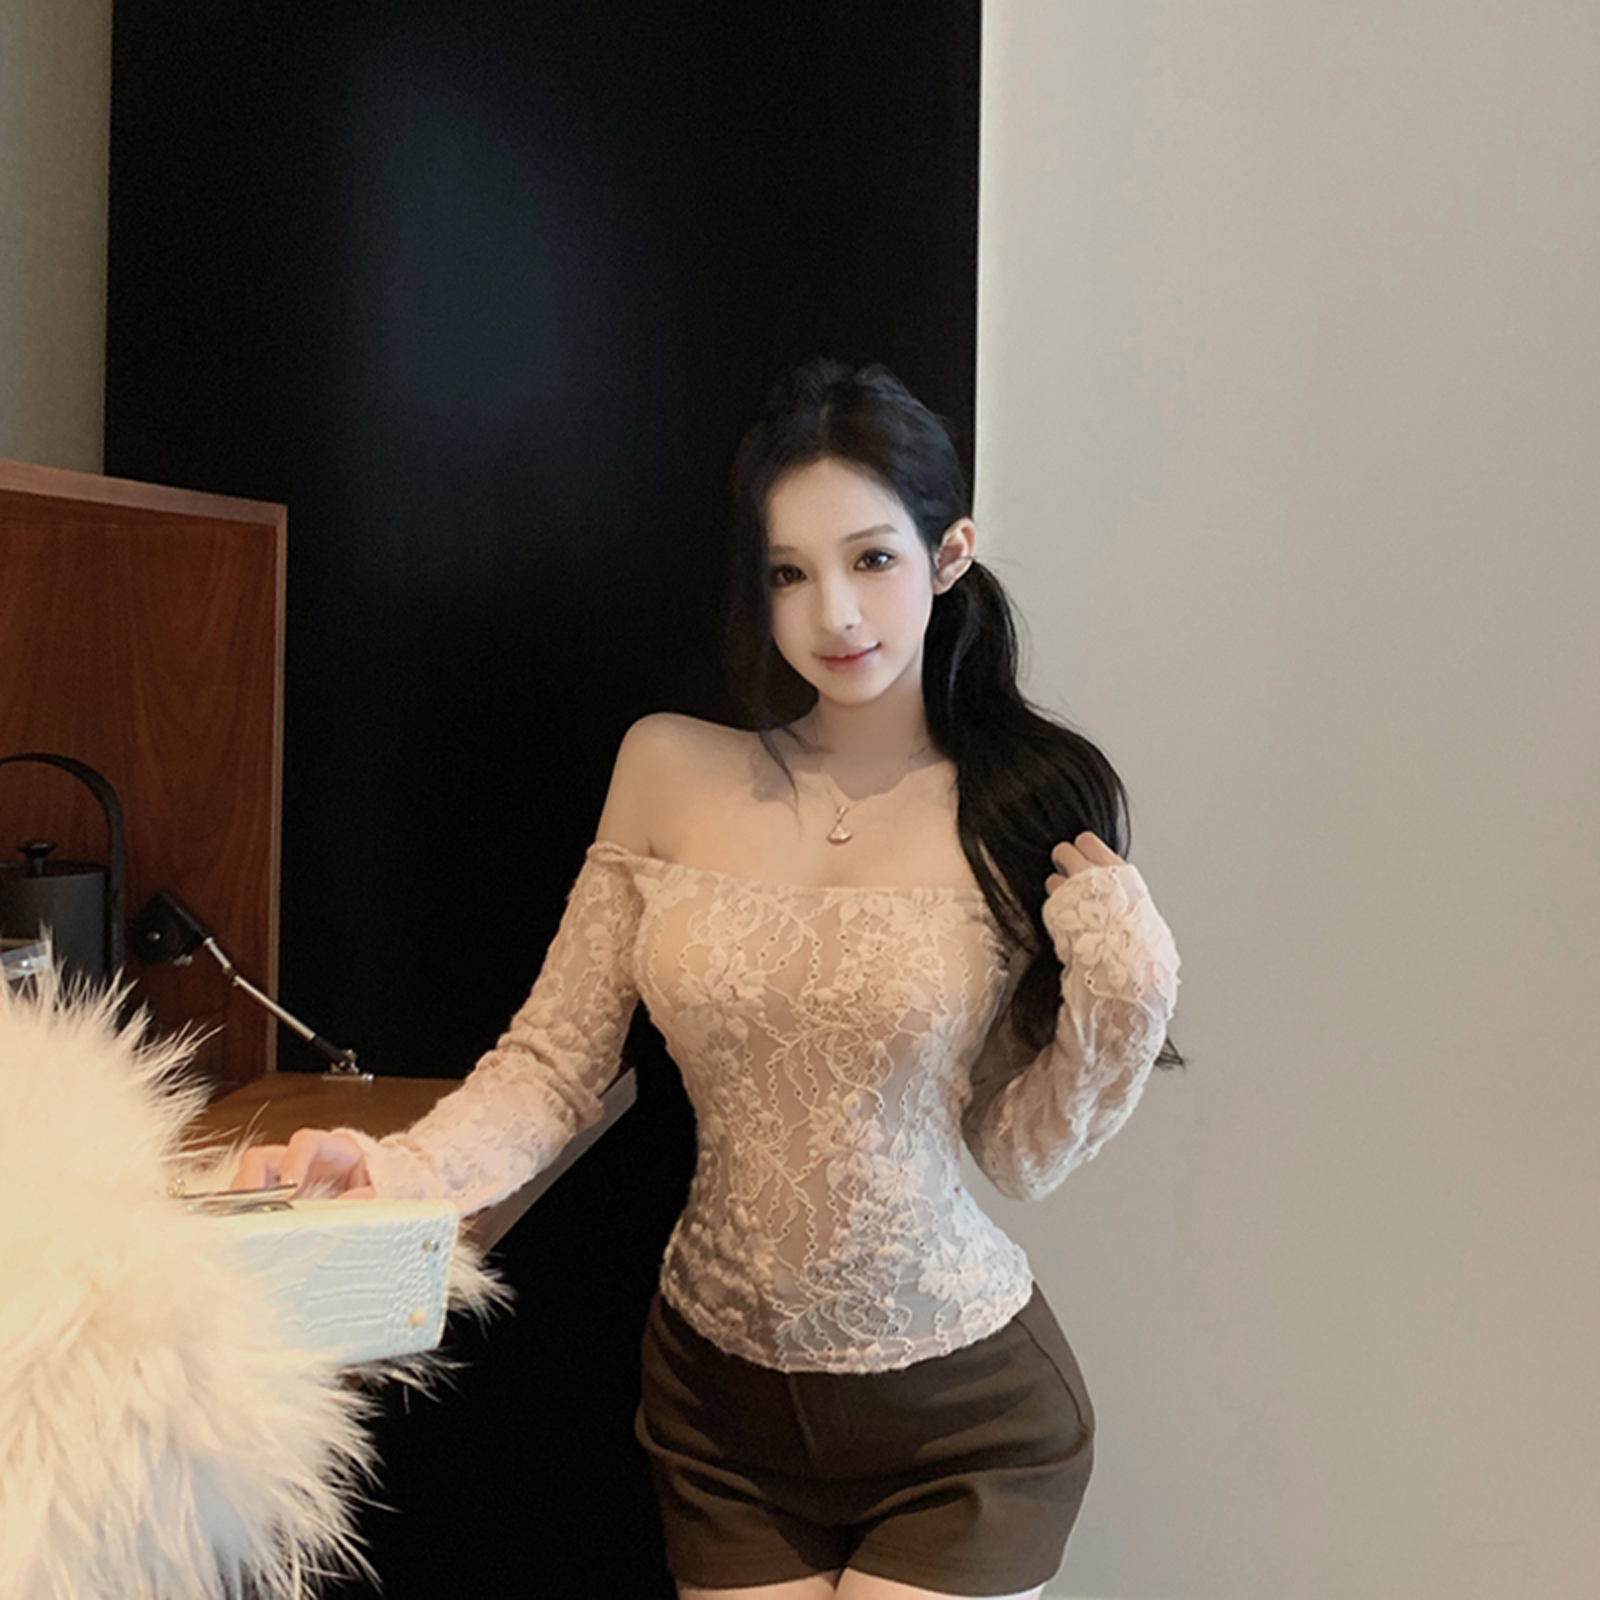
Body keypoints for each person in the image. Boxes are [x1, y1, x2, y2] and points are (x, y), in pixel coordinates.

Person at [235, 359, 1183, 1600]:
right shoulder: (668, 768)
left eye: (872, 559)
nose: (833, 612)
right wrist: (398, 1174)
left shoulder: (1017, 806)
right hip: (717, 1410)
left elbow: (1017, 1151)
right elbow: (552, 1064)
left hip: (963, 1419)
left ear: (948, 555)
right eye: (790, 573)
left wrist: (1127, 997)